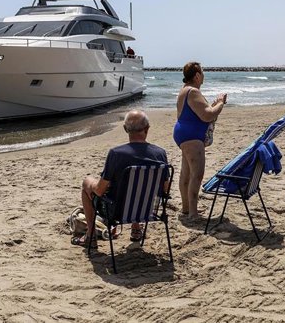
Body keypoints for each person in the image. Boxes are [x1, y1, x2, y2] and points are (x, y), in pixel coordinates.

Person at [74, 110, 168, 247]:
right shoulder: (160, 154)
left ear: (125, 129)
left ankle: (90, 235)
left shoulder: (116, 154)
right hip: (148, 210)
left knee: (86, 184)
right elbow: (165, 189)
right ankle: (136, 228)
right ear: (147, 129)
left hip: (117, 211)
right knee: (139, 188)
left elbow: (100, 191)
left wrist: (91, 183)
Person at [173, 62, 227, 219]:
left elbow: (200, 112)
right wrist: (221, 103)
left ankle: (186, 208)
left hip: (184, 133)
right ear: (197, 75)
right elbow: (208, 115)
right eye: (202, 73)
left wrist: (214, 105)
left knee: (186, 173)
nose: (203, 75)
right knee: (197, 174)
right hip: (191, 136)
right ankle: (193, 213)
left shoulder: (184, 91)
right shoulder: (193, 91)